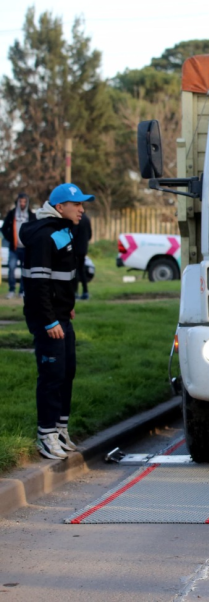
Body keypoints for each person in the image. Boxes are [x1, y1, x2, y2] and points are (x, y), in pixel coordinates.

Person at [20, 183, 95, 460]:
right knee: (52, 376)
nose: (82, 210)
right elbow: (38, 284)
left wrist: (66, 307)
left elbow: (60, 278)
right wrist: (50, 320)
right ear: (60, 207)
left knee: (67, 371)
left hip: (61, 314)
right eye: (77, 205)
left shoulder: (63, 231)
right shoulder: (44, 236)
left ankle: (60, 428)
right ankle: (46, 434)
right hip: (47, 319)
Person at [2, 193, 36, 299]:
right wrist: (11, 239)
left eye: (24, 201)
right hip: (14, 248)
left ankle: (22, 291)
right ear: (17, 202)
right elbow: (4, 228)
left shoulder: (31, 215)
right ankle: (11, 289)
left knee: (24, 271)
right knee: (11, 268)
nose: (22, 203)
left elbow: (34, 230)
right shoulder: (12, 214)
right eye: (20, 201)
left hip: (25, 248)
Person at [72, 211, 92, 300]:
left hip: (75, 248)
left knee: (75, 270)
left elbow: (73, 234)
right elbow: (90, 235)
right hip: (83, 249)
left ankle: (75, 292)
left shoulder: (76, 219)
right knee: (82, 270)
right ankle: (85, 291)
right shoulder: (87, 219)